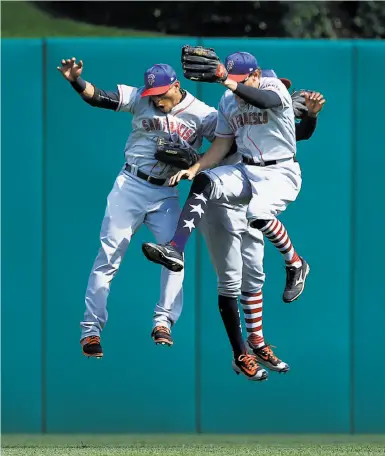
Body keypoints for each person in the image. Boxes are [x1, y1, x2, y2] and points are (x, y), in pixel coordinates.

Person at [142, 50, 324, 376]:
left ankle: (285, 285)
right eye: (235, 83)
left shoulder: (271, 92)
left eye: (244, 83)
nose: (239, 89)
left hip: (267, 181)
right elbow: (221, 144)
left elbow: (282, 116)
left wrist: (308, 116)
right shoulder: (223, 108)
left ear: (257, 77)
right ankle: (241, 350)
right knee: (230, 278)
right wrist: (194, 162)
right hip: (231, 192)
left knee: (255, 273)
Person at [57, 57, 221, 357]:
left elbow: (226, 144)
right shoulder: (141, 98)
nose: (155, 99)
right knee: (108, 256)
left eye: (160, 93)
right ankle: (90, 330)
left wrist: (197, 163)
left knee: (175, 257)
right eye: (151, 94)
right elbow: (101, 99)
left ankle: (163, 322)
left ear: (176, 85)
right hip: (130, 185)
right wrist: (76, 81)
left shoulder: (203, 114)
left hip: (166, 194)